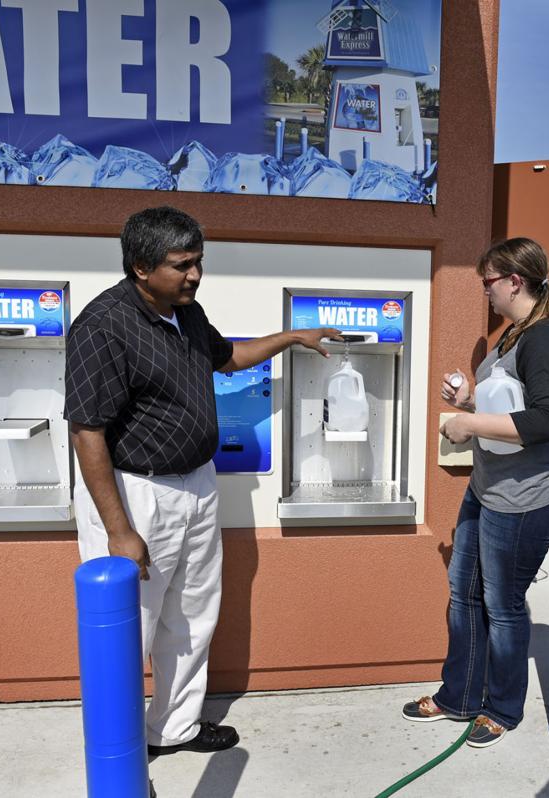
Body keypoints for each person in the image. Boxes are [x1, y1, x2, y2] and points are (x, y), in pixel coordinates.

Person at [65, 207, 339, 755]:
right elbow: (86, 432)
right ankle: (116, 757)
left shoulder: (183, 311)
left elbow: (229, 357)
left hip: (197, 485)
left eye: (198, 262)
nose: (194, 274)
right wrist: (120, 531)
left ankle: (173, 728)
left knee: (192, 616)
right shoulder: (102, 327)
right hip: (136, 494)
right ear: (141, 267)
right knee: (129, 630)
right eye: (181, 264)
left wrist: (293, 336)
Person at [402, 237, 549, 748]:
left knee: (502, 606)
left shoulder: (545, 337)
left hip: (526, 496)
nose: (485, 290)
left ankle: (502, 707)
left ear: (514, 282)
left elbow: (548, 419)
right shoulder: (516, 333)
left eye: (489, 282)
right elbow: (516, 400)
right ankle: (459, 694)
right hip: (490, 487)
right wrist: (471, 398)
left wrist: (469, 422)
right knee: (464, 594)